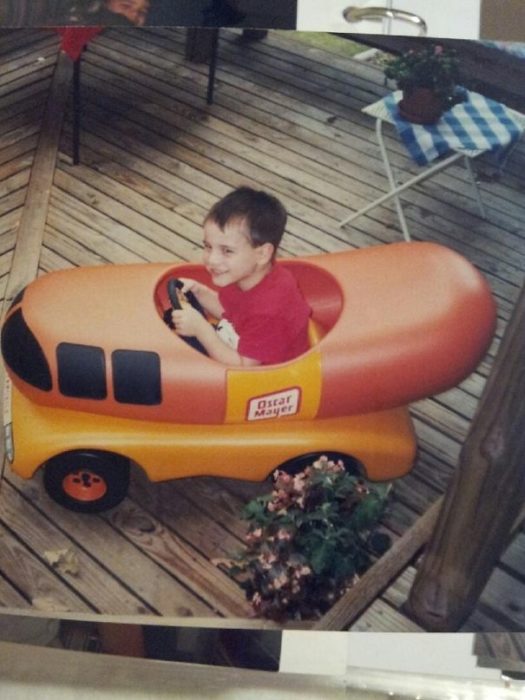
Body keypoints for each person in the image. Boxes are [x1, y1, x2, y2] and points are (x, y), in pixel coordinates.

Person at [172, 187, 311, 366]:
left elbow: (244, 367)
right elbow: (233, 313)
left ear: (261, 254)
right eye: (208, 246)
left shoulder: (270, 310)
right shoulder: (242, 277)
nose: (212, 260)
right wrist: (200, 292)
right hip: (238, 341)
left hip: (264, 375)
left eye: (227, 251)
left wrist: (202, 330)